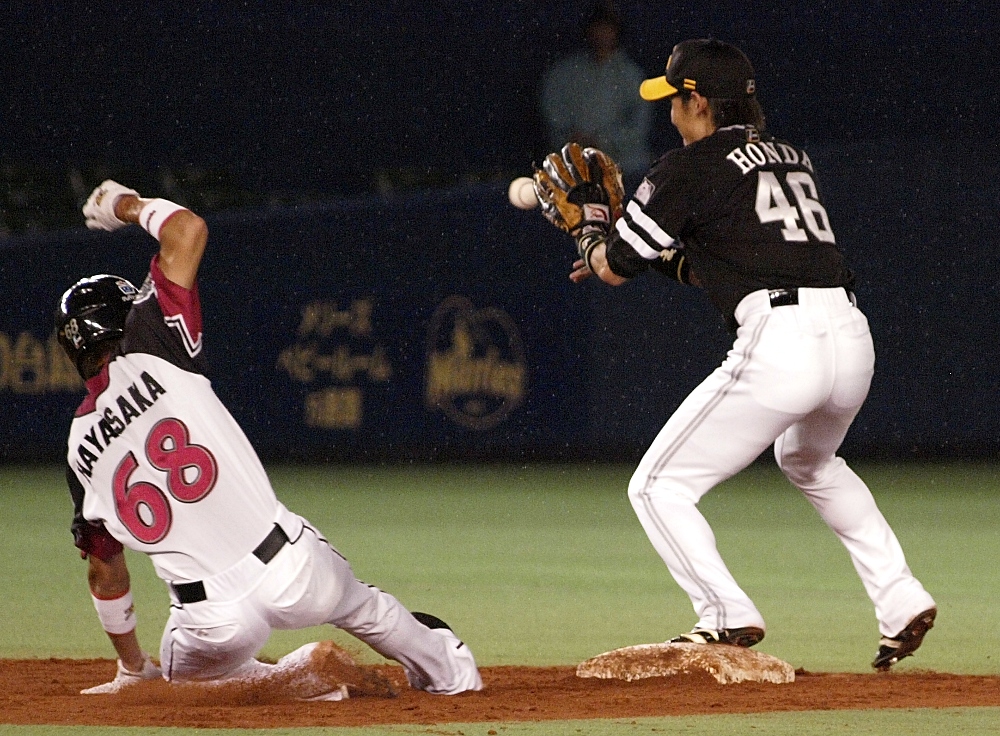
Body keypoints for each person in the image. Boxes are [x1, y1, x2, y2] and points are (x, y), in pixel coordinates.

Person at [537, 39, 936, 670]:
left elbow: (613, 268)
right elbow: (712, 266)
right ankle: (901, 597)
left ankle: (724, 614)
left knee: (658, 485)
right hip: (850, 335)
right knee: (810, 459)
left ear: (696, 100)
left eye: (673, 98)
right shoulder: (788, 157)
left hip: (783, 342)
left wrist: (591, 231)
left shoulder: (688, 167)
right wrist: (631, 247)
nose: (668, 112)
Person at [57, 180, 483, 696]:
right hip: (293, 565)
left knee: (182, 686)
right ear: (125, 318)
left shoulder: (80, 447)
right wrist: (124, 205)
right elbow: (187, 231)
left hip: (209, 617)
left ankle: (299, 679)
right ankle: (451, 673)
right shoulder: (152, 342)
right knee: (365, 608)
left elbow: (106, 569)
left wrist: (131, 668)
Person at [539, 2, 651, 183]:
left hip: (624, 167)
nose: (602, 33)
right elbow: (553, 113)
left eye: (608, 28)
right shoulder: (565, 72)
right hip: (574, 166)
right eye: (598, 27)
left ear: (617, 31)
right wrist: (573, 139)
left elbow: (638, 127)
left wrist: (602, 141)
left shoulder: (632, 75)